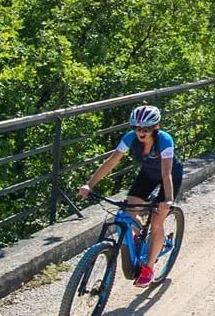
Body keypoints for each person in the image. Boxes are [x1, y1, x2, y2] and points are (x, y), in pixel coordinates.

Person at [78, 104, 184, 287]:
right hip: (147, 175)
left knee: (157, 221)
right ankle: (139, 237)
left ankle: (149, 268)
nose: (141, 132)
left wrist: (168, 199)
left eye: (146, 129)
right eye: (137, 128)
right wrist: (90, 184)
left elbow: (166, 173)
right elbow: (111, 162)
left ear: (155, 127)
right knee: (127, 213)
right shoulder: (130, 138)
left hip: (170, 176)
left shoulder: (165, 140)